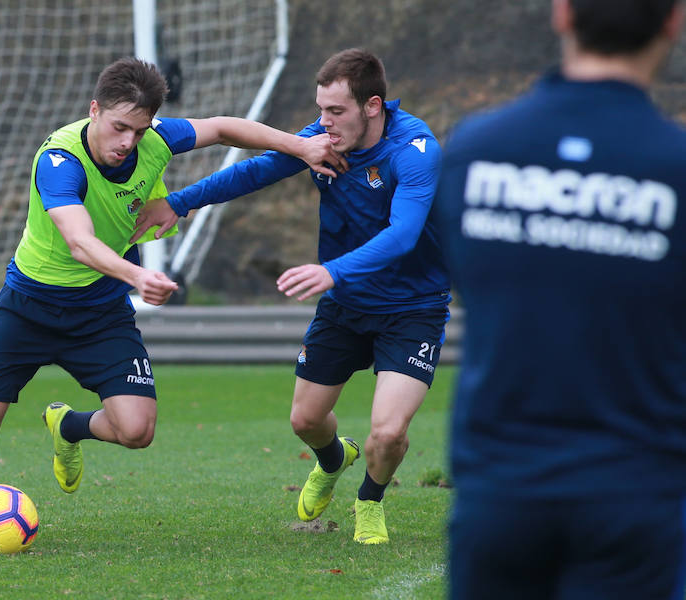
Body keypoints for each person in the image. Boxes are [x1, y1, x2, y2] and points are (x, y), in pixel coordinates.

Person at [0, 56, 346, 546]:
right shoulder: (60, 161)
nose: (128, 141)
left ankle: (69, 426)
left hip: (100, 312)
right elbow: (79, 242)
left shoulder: (152, 140)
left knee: (137, 430)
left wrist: (298, 145)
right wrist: (137, 274)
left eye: (140, 128)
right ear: (94, 110)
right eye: (119, 127)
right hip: (28, 306)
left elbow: (220, 128)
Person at [132, 48, 451, 545]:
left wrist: (332, 271)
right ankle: (332, 459)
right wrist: (178, 201)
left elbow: (404, 234)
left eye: (336, 112)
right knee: (305, 420)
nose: (324, 123)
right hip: (345, 305)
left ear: (373, 106)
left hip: (412, 309)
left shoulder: (414, 150)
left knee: (387, 434)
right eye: (320, 110)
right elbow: (255, 171)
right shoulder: (323, 140)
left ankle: (369, 500)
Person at [432, 0, 686, 597]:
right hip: (635, 494)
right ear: (673, 21)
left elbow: (479, 284)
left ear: (562, 13)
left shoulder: (476, 149)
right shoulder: (674, 168)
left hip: (500, 490)